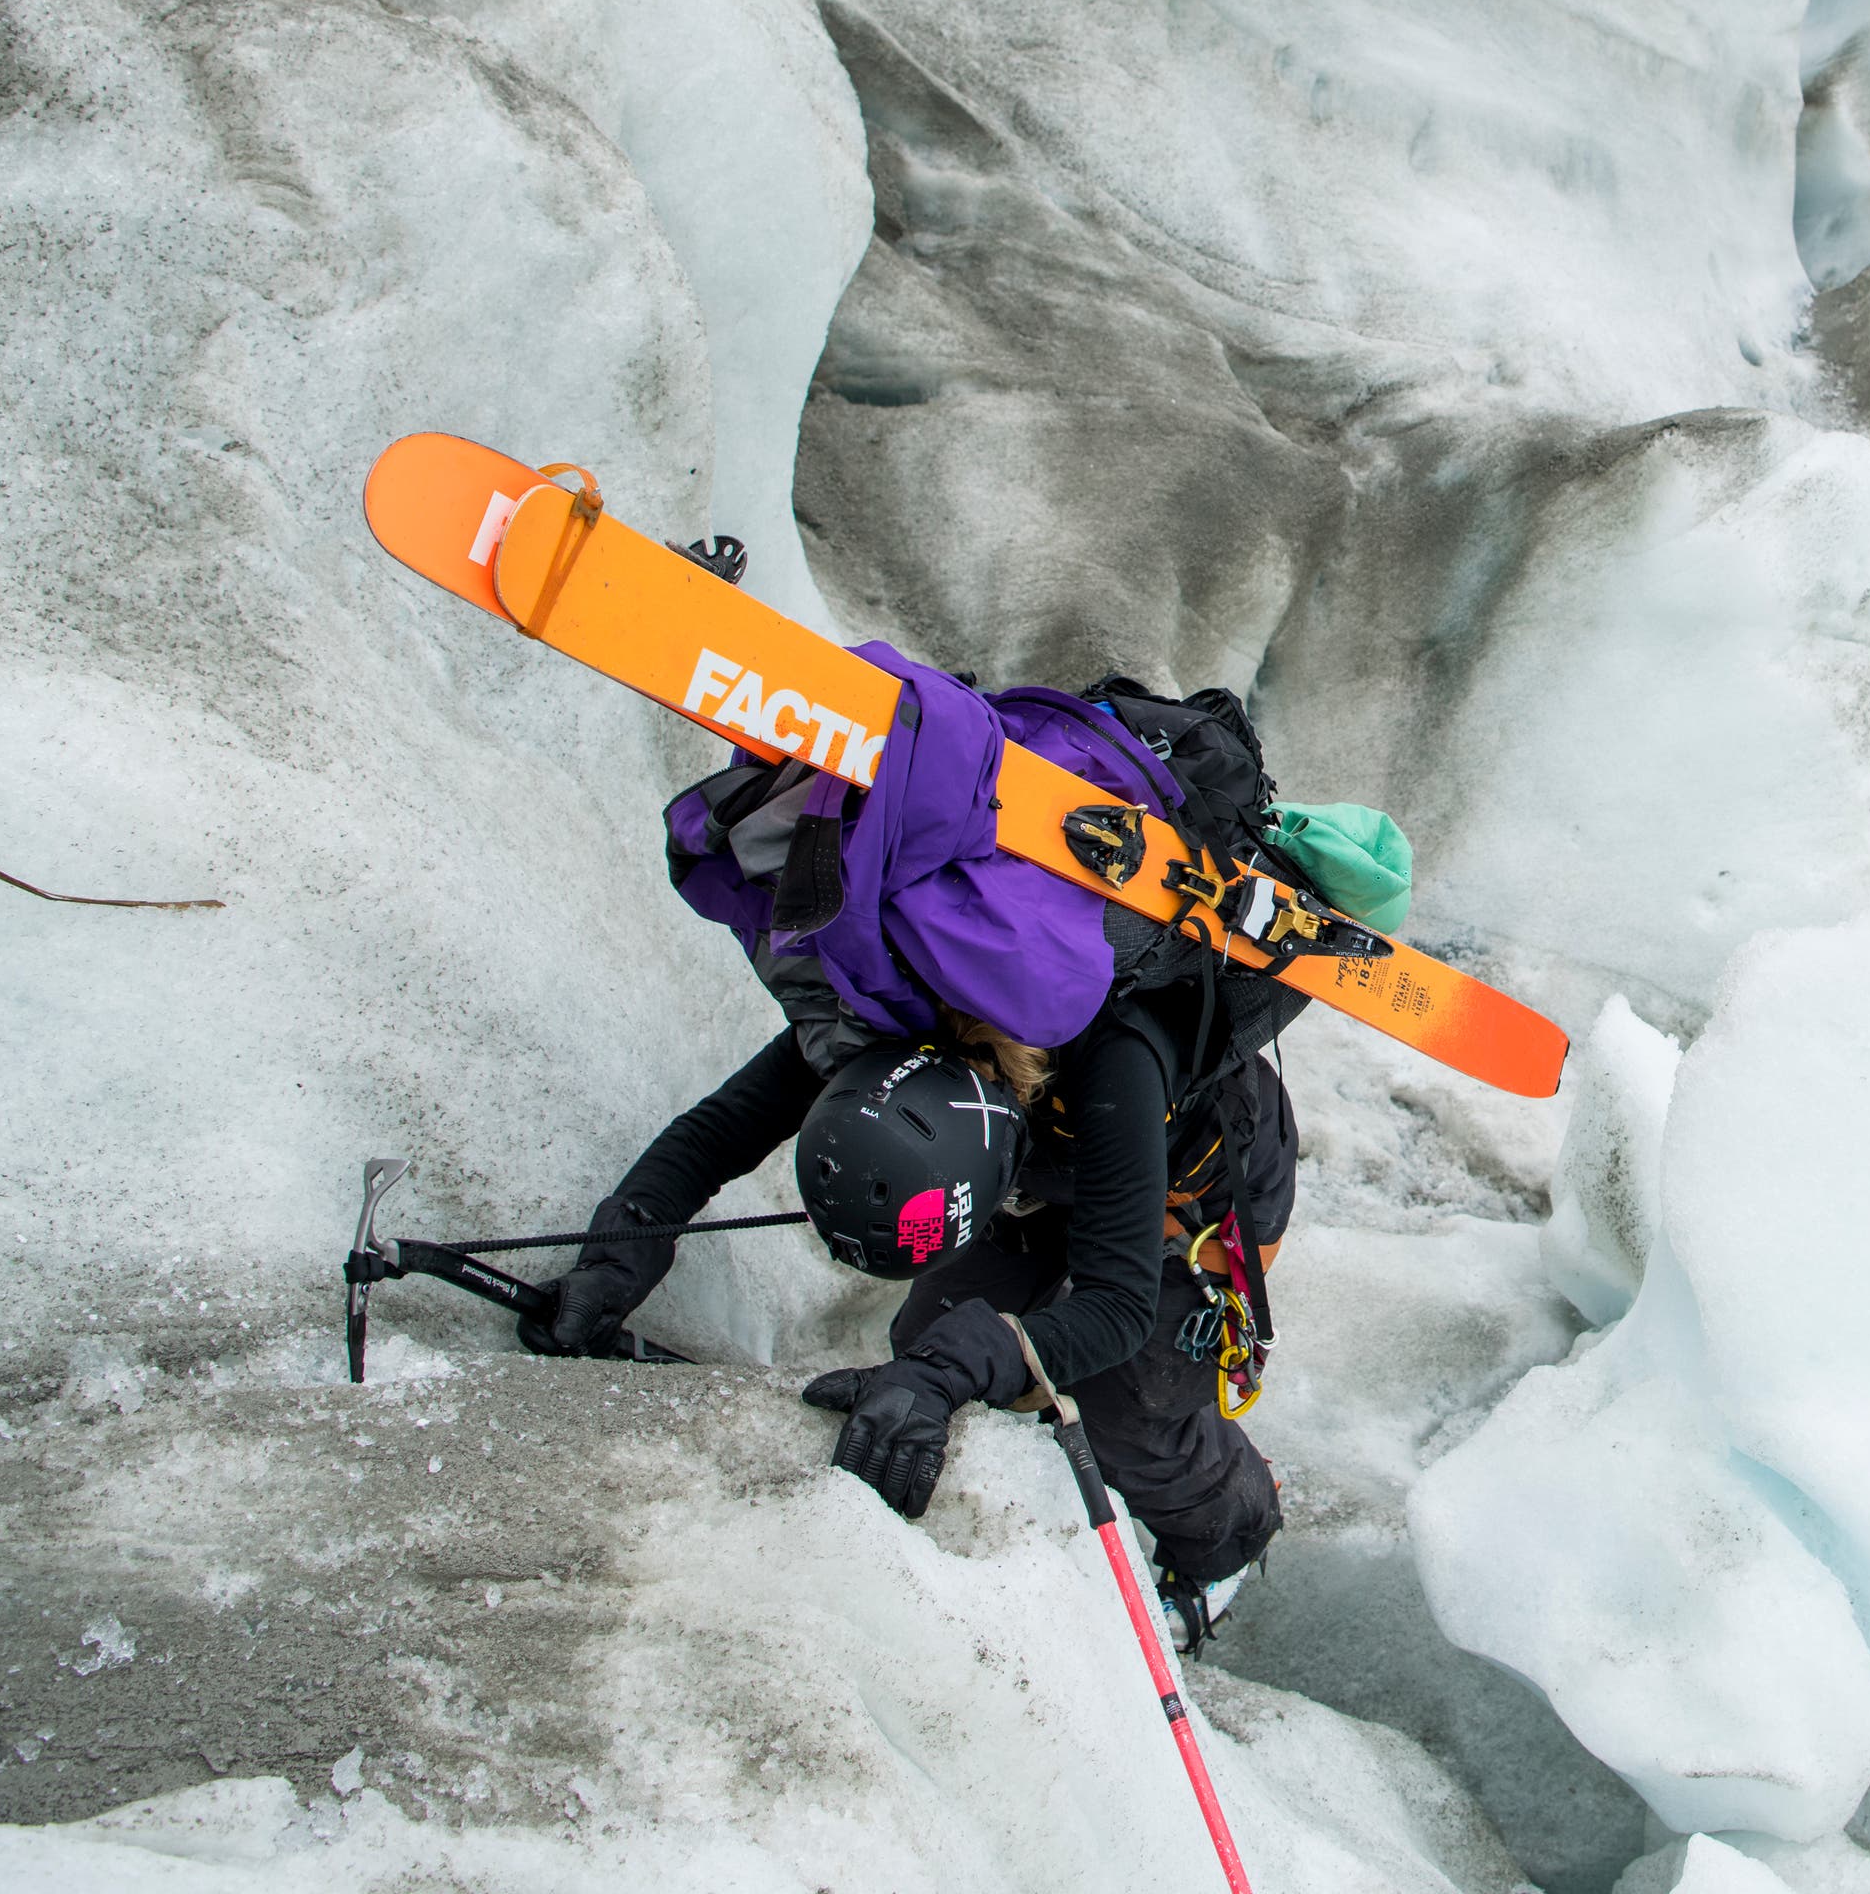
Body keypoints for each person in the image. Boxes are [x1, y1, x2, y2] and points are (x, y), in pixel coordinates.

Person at [519, 657, 1401, 1651]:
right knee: (936, 1333)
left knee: (1135, 1409)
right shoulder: (891, 1017)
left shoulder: (1116, 1056)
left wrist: (958, 1371)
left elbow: (1110, 1303)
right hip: (1044, 1177)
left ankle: (1226, 1542)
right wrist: (619, 1251)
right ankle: (1027, 1450)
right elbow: (719, 1130)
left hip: (1192, 1193)